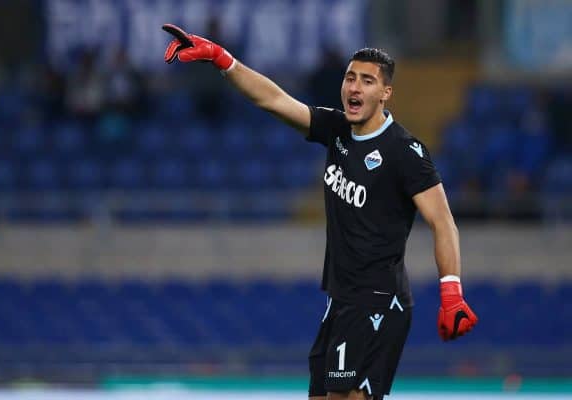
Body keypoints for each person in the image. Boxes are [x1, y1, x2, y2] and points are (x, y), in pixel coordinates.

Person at [162, 24, 478, 400]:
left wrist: (452, 292)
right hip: (341, 300)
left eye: (366, 81)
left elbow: (442, 221)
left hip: (378, 300)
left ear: (385, 93)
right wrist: (222, 59)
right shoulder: (337, 128)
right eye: (349, 78)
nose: (354, 88)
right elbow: (274, 100)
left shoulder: (405, 153)